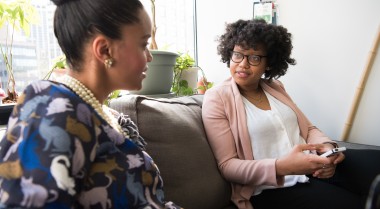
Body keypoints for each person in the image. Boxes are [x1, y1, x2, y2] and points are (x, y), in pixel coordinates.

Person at [0, 0, 181, 208]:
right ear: (105, 50)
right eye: (143, 44)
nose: (149, 57)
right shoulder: (52, 108)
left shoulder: (108, 116)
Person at [202, 18, 380, 209]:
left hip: (314, 165)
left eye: (254, 58)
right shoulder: (217, 98)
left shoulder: (275, 87)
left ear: (268, 63)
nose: (243, 64)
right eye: (238, 55)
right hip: (274, 186)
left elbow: (308, 128)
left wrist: (327, 148)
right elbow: (228, 166)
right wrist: (283, 166)